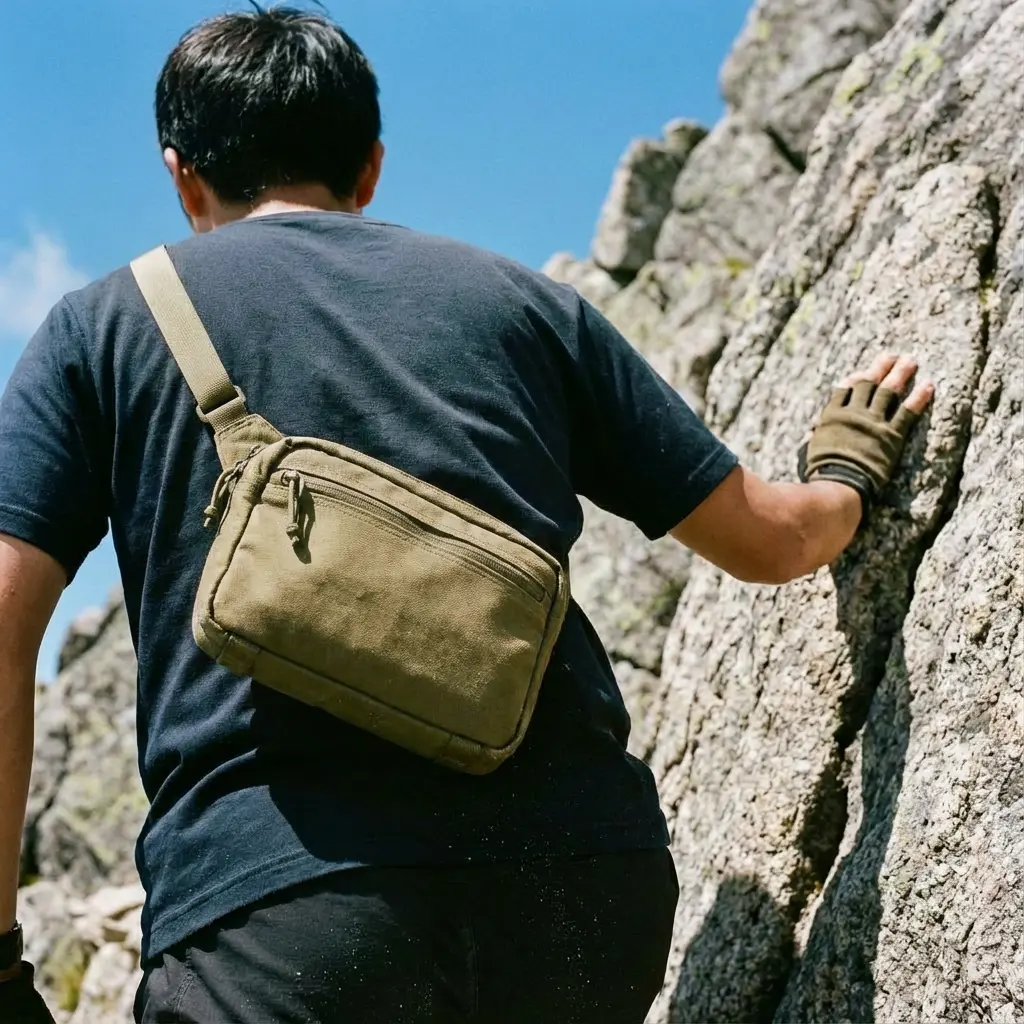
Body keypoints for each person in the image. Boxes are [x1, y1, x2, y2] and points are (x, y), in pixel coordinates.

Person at [0, 7, 933, 1023]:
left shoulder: (102, 328)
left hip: (282, 916)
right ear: (370, 168)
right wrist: (850, 465)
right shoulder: (526, 306)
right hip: (579, 896)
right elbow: (775, 539)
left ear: (183, 178)